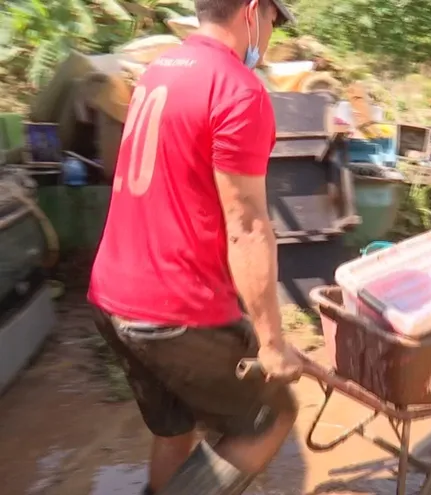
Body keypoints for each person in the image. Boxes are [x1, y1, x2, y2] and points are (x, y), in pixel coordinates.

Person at [88, 0, 301, 493]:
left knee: (175, 430)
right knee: (270, 417)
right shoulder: (238, 89)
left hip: (111, 299)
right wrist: (271, 345)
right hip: (175, 312)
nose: (271, 35)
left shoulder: (159, 69)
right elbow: (247, 226)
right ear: (253, 12)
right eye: (273, 20)